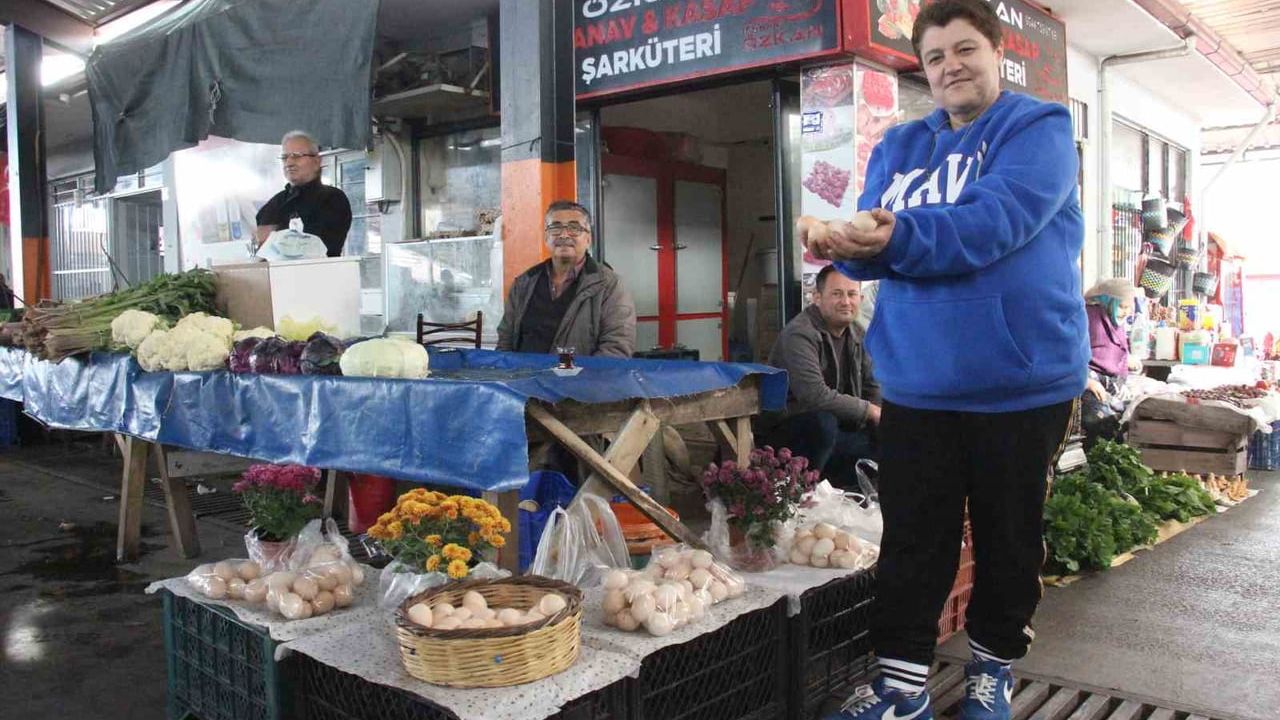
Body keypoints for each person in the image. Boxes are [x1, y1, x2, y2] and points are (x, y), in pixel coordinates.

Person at [803, 1, 1089, 718]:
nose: (950, 66)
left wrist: (890, 235)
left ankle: (992, 670)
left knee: (1009, 537)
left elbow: (993, 224)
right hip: (917, 382)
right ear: (924, 71)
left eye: (965, 49)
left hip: (1019, 383)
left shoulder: (1039, 129)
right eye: (934, 58)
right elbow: (873, 247)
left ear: (998, 55)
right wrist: (834, 238)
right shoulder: (899, 147)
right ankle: (902, 688)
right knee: (913, 543)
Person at [757, 265, 880, 487]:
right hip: (786, 433)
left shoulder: (858, 334)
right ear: (817, 297)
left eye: (851, 294)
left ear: (860, 298)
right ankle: (796, 493)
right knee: (823, 422)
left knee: (886, 433)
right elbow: (814, 396)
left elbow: (872, 387)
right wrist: (869, 411)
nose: (846, 301)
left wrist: (884, 417)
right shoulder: (800, 334)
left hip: (832, 433)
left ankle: (847, 496)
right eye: (836, 293)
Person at [496, 201, 636, 358]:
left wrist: (573, 379)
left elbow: (616, 347)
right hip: (525, 379)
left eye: (574, 228)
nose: (564, 235)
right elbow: (505, 341)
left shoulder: (609, 286)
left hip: (580, 380)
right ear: (546, 236)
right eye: (555, 228)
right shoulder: (524, 283)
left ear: (588, 238)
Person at [255, 131, 353, 257]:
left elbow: (321, 247)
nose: (289, 163)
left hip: (318, 273)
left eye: (296, 156)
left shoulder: (332, 199)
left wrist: (274, 236)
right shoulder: (275, 203)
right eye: (285, 157)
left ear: (317, 161)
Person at [1081, 279, 1142, 447]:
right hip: (1089, 385)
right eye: (1122, 307)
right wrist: (1087, 380)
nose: (1126, 312)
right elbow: (1072, 353)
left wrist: (1127, 360)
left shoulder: (1112, 320)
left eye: (1129, 308)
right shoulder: (1089, 319)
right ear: (1108, 302)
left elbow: (1115, 348)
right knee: (1102, 423)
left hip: (1112, 384)